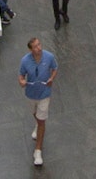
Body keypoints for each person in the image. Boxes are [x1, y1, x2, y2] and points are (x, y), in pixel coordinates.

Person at [19, 37, 58, 167]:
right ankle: (37, 123)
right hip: (31, 94)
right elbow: (21, 76)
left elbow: (54, 68)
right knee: (35, 113)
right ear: (31, 49)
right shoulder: (25, 61)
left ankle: (38, 150)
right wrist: (22, 82)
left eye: (39, 45)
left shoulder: (49, 57)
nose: (39, 48)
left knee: (42, 121)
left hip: (44, 94)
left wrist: (51, 78)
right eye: (35, 46)